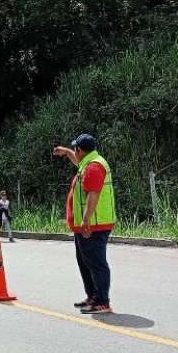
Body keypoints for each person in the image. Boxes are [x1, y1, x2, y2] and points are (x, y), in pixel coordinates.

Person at [53, 134, 117, 314]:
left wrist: (86, 220)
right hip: (88, 225)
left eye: (74, 149)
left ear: (80, 150)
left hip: (94, 225)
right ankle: (93, 296)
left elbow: (93, 194)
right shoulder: (88, 163)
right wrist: (66, 152)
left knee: (96, 263)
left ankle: (102, 301)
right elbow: (77, 163)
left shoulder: (94, 167)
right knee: (84, 262)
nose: (74, 152)